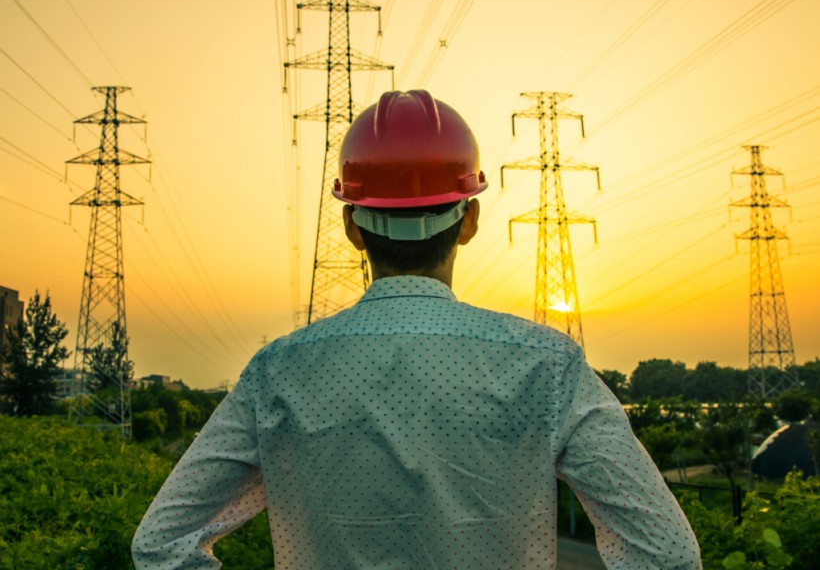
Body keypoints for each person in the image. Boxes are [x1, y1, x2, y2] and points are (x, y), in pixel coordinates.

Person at [132, 90, 702, 569]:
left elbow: (160, 545)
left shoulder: (276, 372)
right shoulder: (546, 365)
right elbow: (668, 553)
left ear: (353, 226)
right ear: (470, 220)